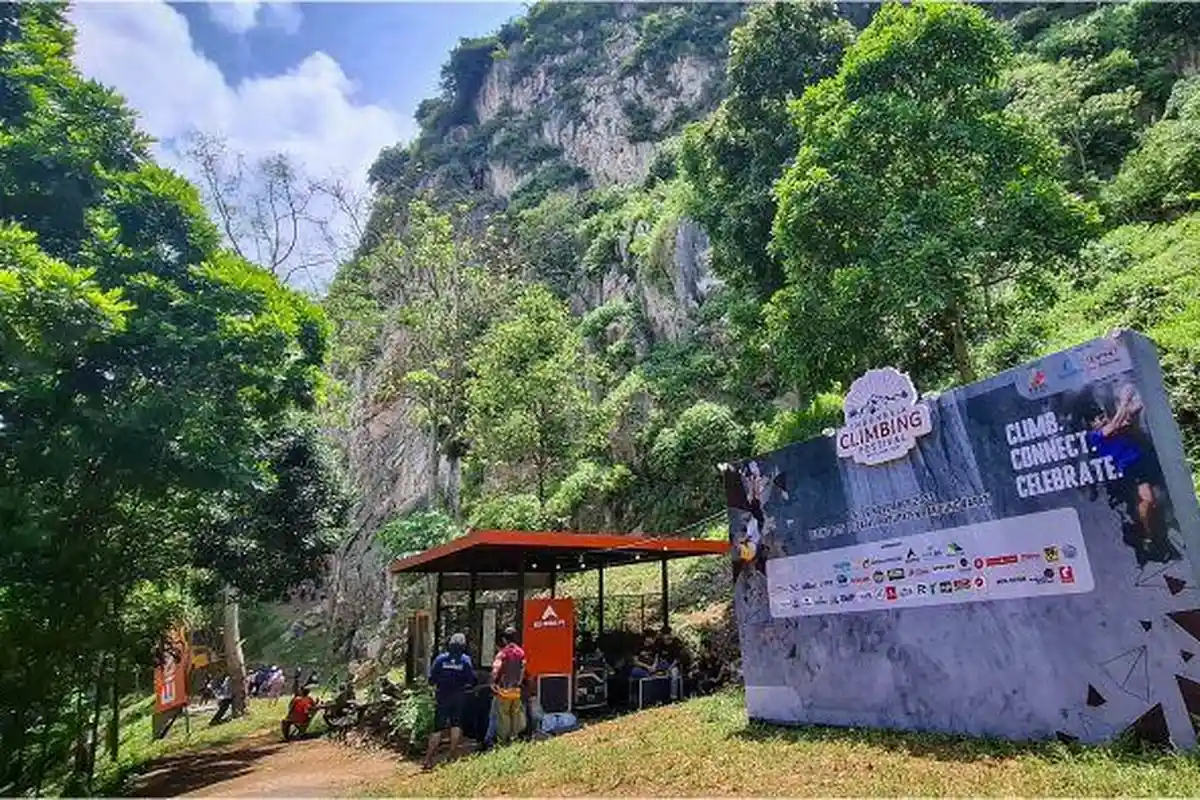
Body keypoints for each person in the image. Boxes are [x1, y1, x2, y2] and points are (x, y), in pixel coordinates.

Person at [1081, 385, 1180, 566]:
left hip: (1144, 460)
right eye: (1099, 419)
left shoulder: (1112, 425)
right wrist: (1124, 401)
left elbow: (1128, 415)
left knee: (1163, 494)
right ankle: (1151, 538)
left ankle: (1163, 529)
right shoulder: (1095, 436)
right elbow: (1116, 423)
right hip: (1130, 468)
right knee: (1148, 500)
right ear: (1091, 424)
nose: (1103, 420)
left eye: (1103, 416)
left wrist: (1145, 398)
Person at [422, 632, 476, 771]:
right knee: (456, 725)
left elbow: (431, 679)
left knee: (437, 728)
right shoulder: (465, 660)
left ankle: (428, 759)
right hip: (458, 697)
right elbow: (471, 680)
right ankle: (451, 756)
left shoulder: (440, 659)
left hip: (442, 697)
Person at [491, 627, 526, 746]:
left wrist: (493, 682)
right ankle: (514, 738)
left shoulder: (502, 653)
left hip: (503, 691)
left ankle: (503, 741)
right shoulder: (521, 653)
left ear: (504, 640)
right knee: (515, 715)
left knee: (503, 716)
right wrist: (519, 683)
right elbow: (523, 669)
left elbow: (496, 670)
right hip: (516, 691)